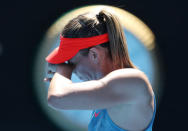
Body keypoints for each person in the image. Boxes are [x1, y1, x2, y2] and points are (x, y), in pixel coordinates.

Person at [44, 9, 156, 131]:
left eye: (71, 62)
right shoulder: (106, 93)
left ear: (94, 55)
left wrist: (62, 70)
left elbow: (57, 98)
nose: (72, 69)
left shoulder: (133, 81)